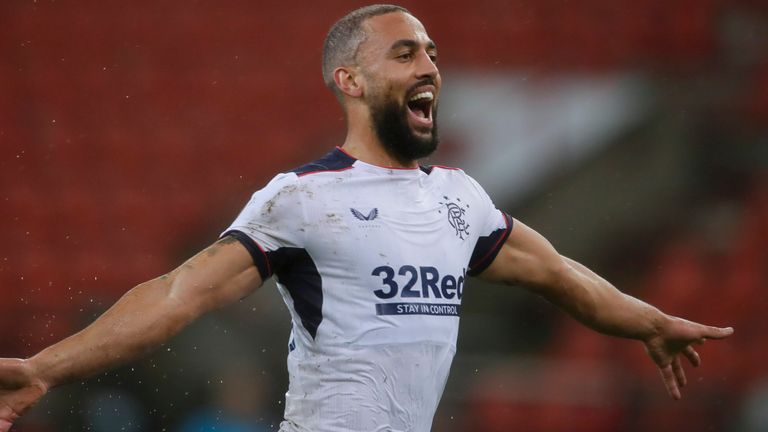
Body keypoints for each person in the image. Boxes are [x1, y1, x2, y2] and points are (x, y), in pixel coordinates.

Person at [0, 4, 733, 432]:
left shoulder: (460, 198)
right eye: (405, 52)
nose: (431, 66)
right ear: (349, 81)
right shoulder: (302, 197)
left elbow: (558, 273)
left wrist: (646, 319)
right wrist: (44, 368)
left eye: (434, 53)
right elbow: (178, 293)